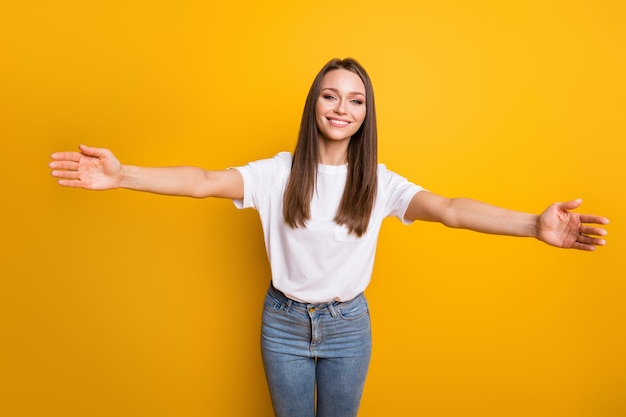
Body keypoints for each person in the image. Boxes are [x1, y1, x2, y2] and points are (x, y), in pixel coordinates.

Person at [49, 58, 609, 417]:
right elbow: (201, 182)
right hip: (283, 323)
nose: (343, 107)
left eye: (356, 99)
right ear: (313, 105)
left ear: (366, 115)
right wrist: (123, 176)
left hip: (348, 328)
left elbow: (451, 210)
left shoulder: (379, 182)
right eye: (331, 95)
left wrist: (531, 226)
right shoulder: (279, 173)